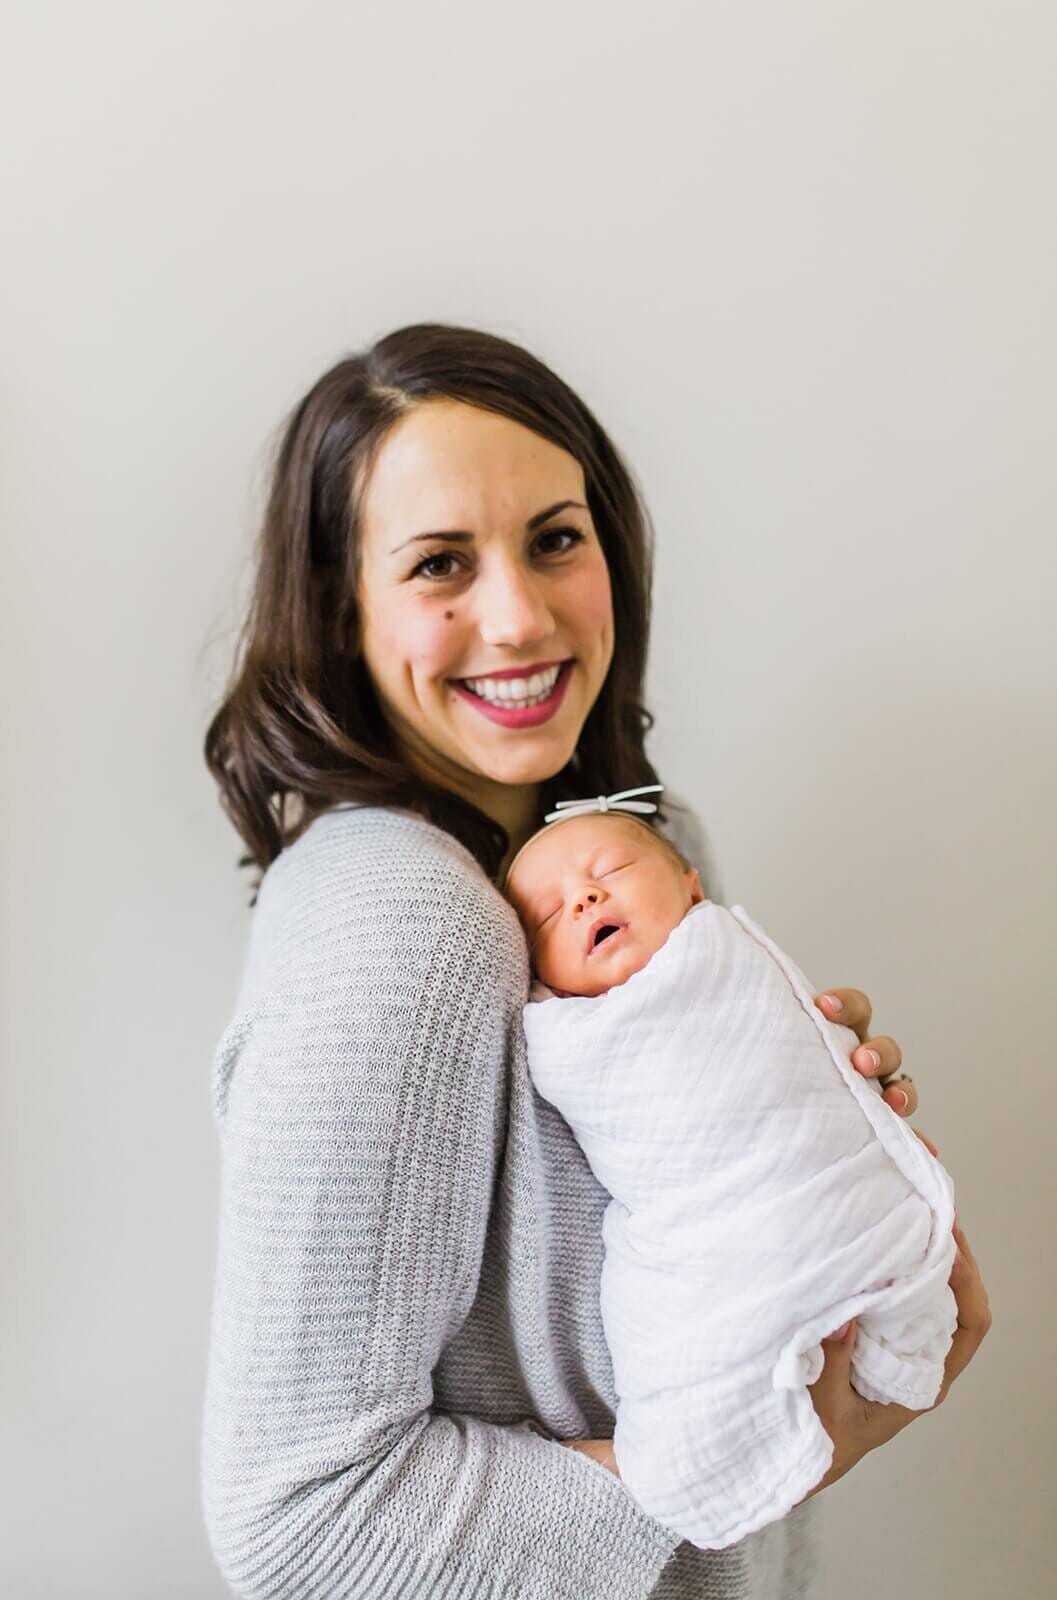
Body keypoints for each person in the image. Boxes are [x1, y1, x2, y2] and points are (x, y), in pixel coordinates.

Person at [199, 322, 991, 1599]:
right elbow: (302, 1525)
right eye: (438, 562)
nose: (516, 616)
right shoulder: (404, 921)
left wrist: (803, 1137)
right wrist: (748, 1455)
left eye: (555, 539)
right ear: (340, 609)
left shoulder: (643, 849)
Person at [501, 797, 959, 1550]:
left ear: (690, 888)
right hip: (705, 1235)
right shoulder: (564, 1033)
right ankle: (697, 1451)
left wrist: (830, 1056)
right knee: (679, 1336)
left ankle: (885, 1321)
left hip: (818, 1186)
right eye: (547, 915)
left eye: (609, 871)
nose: (582, 897)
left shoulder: (720, 952)